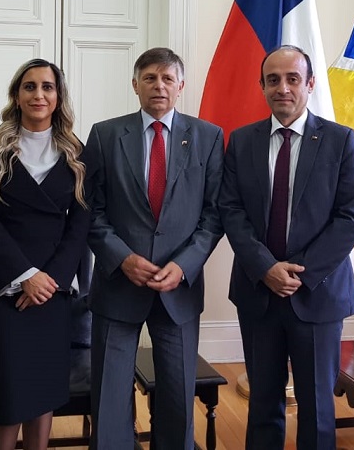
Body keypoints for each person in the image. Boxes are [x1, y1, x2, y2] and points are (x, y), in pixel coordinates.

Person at [220, 45, 354, 450]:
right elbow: (230, 210)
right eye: (273, 80)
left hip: (317, 293)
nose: (282, 88)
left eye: (292, 79)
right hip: (258, 290)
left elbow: (350, 218)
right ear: (262, 86)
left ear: (310, 84)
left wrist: (299, 272)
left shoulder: (340, 141)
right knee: (263, 403)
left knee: (317, 406)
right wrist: (266, 267)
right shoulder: (242, 141)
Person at [84, 47, 224, 450]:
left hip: (178, 288)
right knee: (110, 396)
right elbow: (90, 211)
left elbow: (215, 214)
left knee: (178, 398)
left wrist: (184, 265)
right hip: (118, 284)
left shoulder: (208, 137)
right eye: (149, 78)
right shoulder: (105, 135)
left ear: (181, 86)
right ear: (135, 85)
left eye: (167, 78)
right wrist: (122, 258)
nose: (158, 86)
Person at [0, 58, 90, 450]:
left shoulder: (77, 154)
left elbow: (80, 226)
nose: (39, 95)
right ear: (16, 96)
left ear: (58, 97)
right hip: (5, 290)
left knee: (43, 396)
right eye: (29, 87)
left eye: (47, 87)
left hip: (53, 291)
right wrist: (25, 276)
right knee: (9, 404)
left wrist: (49, 281)